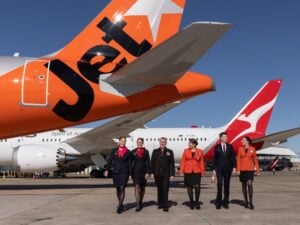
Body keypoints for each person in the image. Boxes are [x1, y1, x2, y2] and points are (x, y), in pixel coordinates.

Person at [104, 136, 132, 214]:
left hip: (124, 172)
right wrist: (107, 170)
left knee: (122, 188)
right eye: (122, 141)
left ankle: (119, 206)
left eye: (124, 141)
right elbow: (109, 161)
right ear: (119, 141)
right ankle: (121, 204)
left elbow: (129, 164)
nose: (123, 142)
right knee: (118, 189)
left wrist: (130, 174)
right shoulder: (114, 151)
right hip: (116, 172)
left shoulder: (128, 152)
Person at [213, 132, 236, 209]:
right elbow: (215, 159)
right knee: (219, 184)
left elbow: (233, 157)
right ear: (221, 138)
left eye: (226, 137)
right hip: (219, 169)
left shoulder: (230, 146)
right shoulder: (217, 147)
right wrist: (214, 169)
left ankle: (226, 202)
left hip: (228, 169)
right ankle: (218, 202)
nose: (227, 138)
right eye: (225, 137)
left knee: (227, 185)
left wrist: (234, 167)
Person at [180, 138, 205, 210]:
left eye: (190, 143)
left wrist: (203, 171)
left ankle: (197, 202)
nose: (189, 144)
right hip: (188, 171)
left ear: (194, 144)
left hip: (197, 171)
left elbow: (201, 162)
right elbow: (183, 161)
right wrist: (181, 171)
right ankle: (191, 202)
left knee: (197, 186)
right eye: (189, 143)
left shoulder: (199, 151)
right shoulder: (186, 151)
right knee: (189, 187)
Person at [151, 137, 175, 212]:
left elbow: (172, 164)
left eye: (164, 142)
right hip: (157, 173)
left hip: (166, 173)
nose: (162, 143)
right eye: (161, 142)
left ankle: (165, 205)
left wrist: (172, 174)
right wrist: (152, 172)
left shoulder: (169, 152)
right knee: (159, 189)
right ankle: (160, 203)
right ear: (159, 142)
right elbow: (152, 163)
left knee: (165, 189)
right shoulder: (155, 151)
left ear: (166, 143)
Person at [237, 136, 260, 210]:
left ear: (247, 141)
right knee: (243, 186)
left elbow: (255, 160)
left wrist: (258, 170)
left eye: (243, 140)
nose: (241, 141)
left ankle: (251, 202)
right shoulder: (240, 149)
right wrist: (238, 169)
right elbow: (238, 160)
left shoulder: (253, 149)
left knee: (250, 184)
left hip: (250, 170)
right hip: (242, 170)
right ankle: (246, 202)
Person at [131, 138, 151, 212]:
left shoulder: (146, 152)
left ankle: (140, 201)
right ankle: (138, 204)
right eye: (138, 142)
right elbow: (130, 163)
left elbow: (148, 163)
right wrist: (130, 173)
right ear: (136, 143)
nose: (139, 143)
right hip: (135, 172)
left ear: (142, 143)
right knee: (136, 187)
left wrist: (147, 172)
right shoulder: (133, 152)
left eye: (140, 142)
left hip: (143, 172)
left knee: (142, 188)